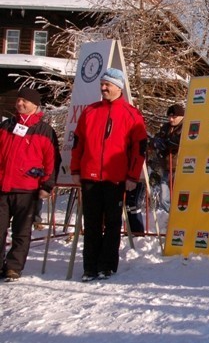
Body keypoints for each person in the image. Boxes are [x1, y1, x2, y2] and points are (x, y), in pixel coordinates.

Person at [71, 68, 147, 282]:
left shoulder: (132, 114)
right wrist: (75, 169)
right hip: (90, 176)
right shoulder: (90, 111)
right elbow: (78, 143)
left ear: (118, 87)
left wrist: (132, 176)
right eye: (102, 84)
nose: (103, 88)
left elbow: (139, 149)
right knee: (92, 223)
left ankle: (107, 266)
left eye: (107, 85)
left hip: (116, 178)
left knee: (113, 223)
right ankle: (90, 267)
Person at [0, 87, 60, 281]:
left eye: (24, 101)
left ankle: (13, 267)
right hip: (3, 187)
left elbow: (51, 160)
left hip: (27, 189)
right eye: (18, 100)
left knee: (21, 231)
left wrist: (47, 185)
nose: (20, 104)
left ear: (35, 105)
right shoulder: (6, 126)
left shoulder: (44, 130)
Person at [151, 103, 185, 212]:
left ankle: (179, 217)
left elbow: (179, 141)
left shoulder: (186, 126)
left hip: (181, 168)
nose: (171, 119)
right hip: (166, 167)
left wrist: (169, 143)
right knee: (164, 198)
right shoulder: (165, 127)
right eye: (169, 117)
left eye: (174, 117)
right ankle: (172, 217)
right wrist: (156, 142)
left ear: (182, 116)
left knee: (180, 197)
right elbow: (156, 138)